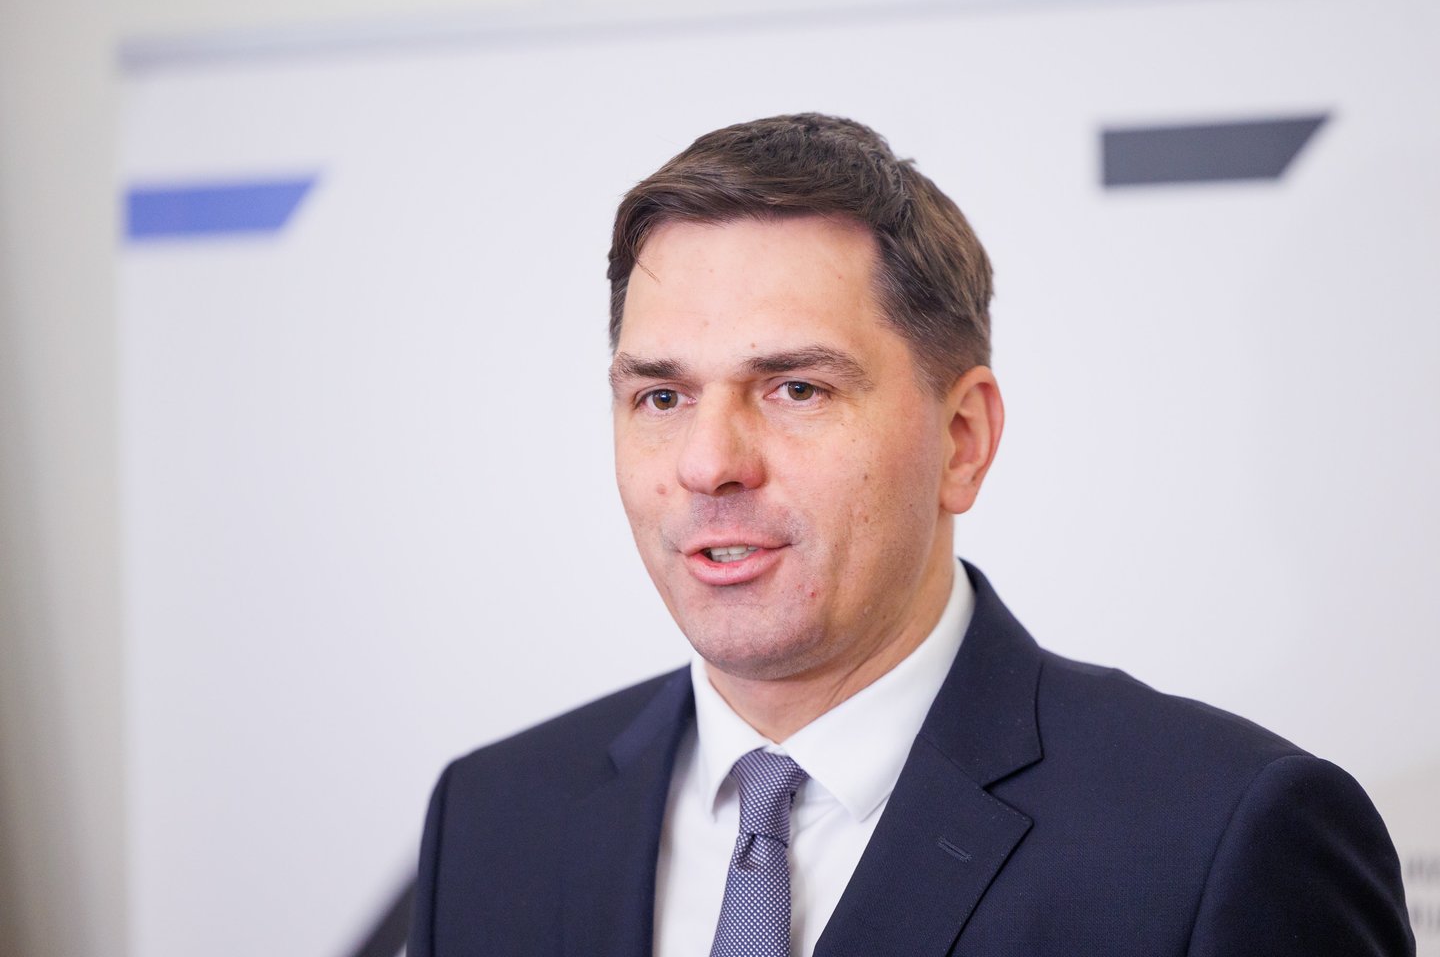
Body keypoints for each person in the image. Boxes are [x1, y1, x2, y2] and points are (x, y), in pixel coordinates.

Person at [407, 114, 1413, 956]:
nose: (709, 464)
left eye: (796, 388)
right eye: (661, 397)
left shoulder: (1220, 836)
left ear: (962, 439)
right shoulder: (492, 819)